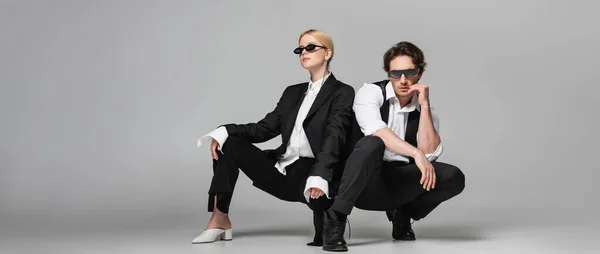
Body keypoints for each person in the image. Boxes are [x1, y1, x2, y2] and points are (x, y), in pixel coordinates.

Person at [192, 29, 355, 245]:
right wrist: (224, 131)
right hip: (283, 172)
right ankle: (220, 217)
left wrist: (320, 175)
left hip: (315, 174)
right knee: (228, 143)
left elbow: (335, 137)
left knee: (325, 235)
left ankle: (329, 215)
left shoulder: (342, 92)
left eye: (311, 47)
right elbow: (264, 129)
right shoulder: (292, 92)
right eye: (300, 49)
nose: (303, 52)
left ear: (327, 53)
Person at [319, 41, 466, 251]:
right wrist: (415, 153)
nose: (403, 80)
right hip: (362, 182)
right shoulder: (370, 92)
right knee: (373, 142)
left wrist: (424, 107)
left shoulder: (426, 111)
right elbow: (376, 130)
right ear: (388, 74)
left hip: (398, 183)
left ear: (420, 74)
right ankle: (336, 217)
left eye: (410, 72)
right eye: (396, 73)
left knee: (453, 177)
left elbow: (430, 154)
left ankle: (403, 213)